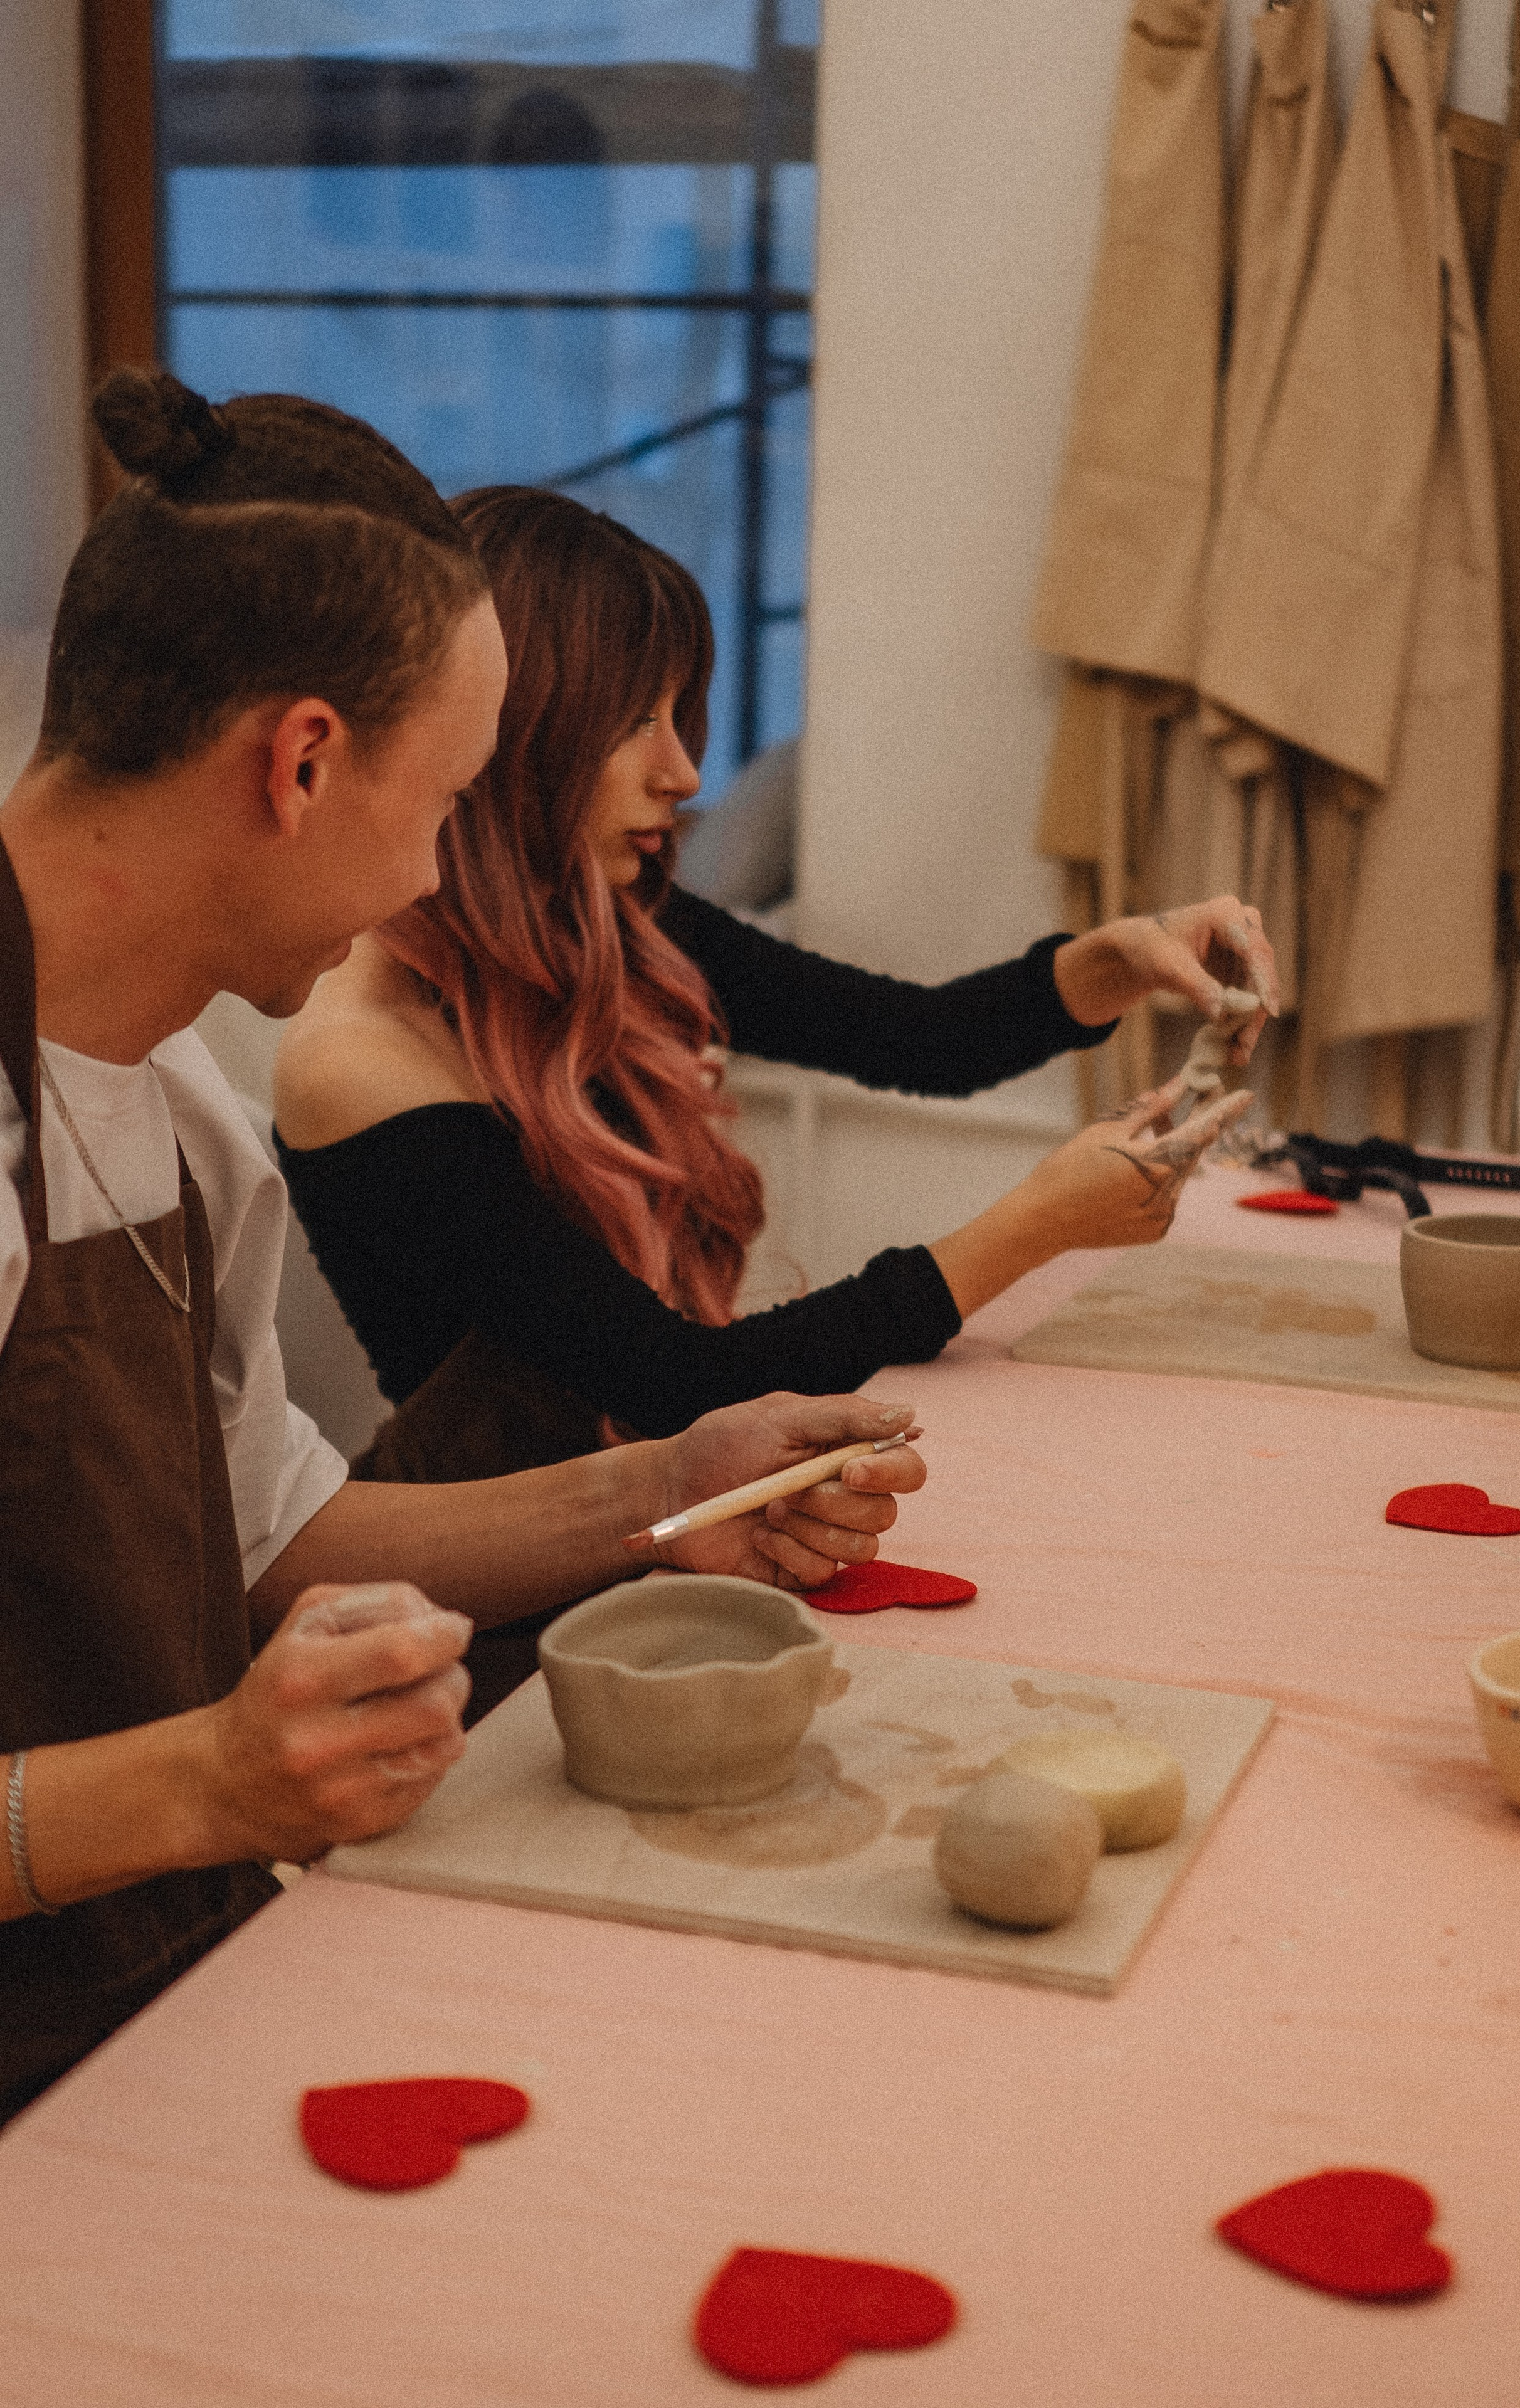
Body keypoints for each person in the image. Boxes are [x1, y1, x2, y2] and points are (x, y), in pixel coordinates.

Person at [0, 376, 923, 2125]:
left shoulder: (175, 1111)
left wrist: (675, 1482)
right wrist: (206, 1783)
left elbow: (284, 1534)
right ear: (302, 762)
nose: (439, 869)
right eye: (447, 803)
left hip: (155, 2006)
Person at [274, 488, 1275, 1494]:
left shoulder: (607, 924)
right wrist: (1035, 1227)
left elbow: (918, 1040)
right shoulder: (359, 1062)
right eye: (635, 721)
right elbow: (678, 1386)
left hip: (658, 1520)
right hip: (487, 1586)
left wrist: (1115, 962)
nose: (683, 771)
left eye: (679, 714)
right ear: (505, 731)